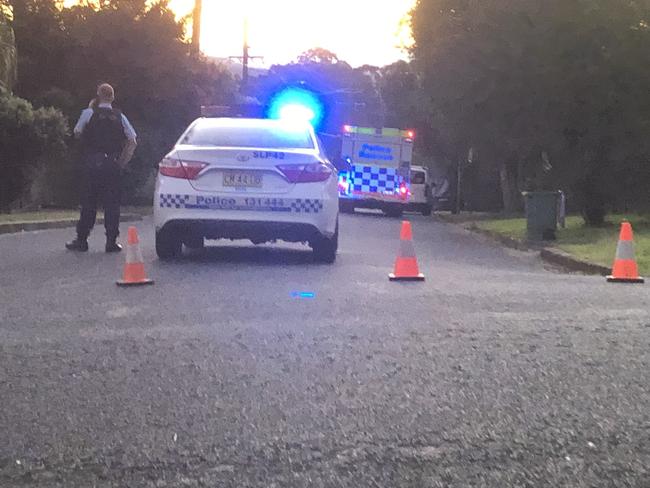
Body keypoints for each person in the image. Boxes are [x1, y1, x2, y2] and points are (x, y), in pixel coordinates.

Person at [66, 83, 137, 253]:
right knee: (112, 204)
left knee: (88, 202)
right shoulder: (120, 116)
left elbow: (77, 132)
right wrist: (122, 161)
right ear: (112, 97)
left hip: (92, 162)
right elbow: (132, 140)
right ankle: (111, 242)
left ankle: (82, 240)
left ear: (98, 95)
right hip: (112, 163)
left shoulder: (89, 113)